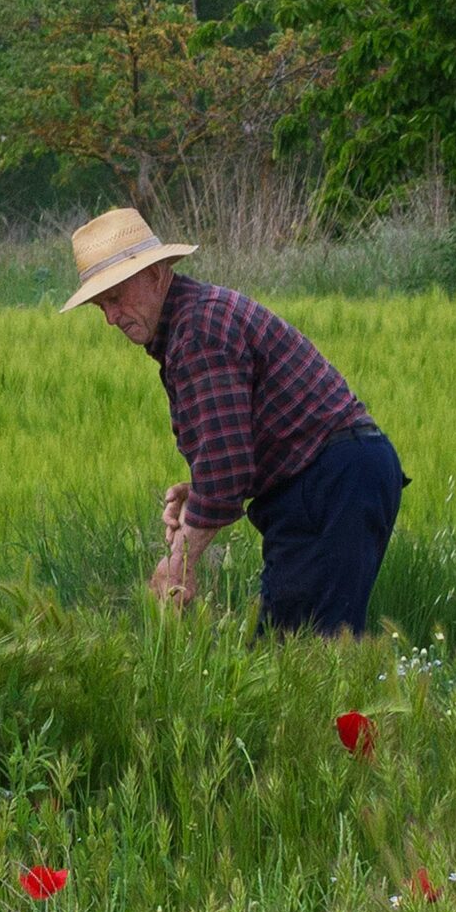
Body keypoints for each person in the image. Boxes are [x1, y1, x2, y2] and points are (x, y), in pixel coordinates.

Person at [60, 207, 408, 636]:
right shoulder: (194, 321)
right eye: (100, 305)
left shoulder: (199, 331)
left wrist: (178, 564)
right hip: (337, 478)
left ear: (155, 273)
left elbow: (226, 470)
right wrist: (200, 492)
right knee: (305, 658)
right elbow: (233, 456)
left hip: (329, 485)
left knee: (300, 660)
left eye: (115, 298)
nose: (110, 317)